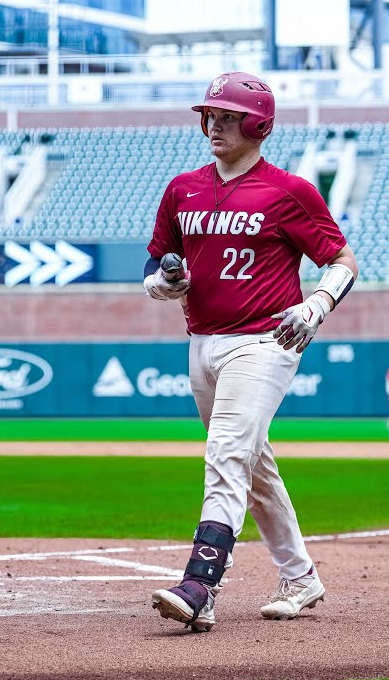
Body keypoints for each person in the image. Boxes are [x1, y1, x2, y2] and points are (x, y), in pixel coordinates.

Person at [144, 72, 359, 632]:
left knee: (225, 454)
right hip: (202, 342)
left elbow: (343, 262)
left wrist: (315, 307)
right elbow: (159, 262)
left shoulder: (289, 191)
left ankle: (200, 584)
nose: (214, 125)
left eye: (228, 117)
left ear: (258, 126)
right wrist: (163, 283)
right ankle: (301, 577)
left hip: (266, 341)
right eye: (210, 115)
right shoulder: (182, 188)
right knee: (251, 463)